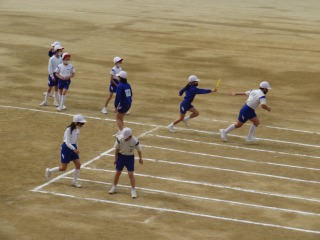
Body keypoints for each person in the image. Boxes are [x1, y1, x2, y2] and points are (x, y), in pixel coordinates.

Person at [45, 114, 87, 188]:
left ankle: (74, 181)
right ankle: (49, 171)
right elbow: (67, 142)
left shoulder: (78, 130)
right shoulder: (68, 130)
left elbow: (76, 140)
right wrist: (74, 149)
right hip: (66, 148)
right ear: (76, 123)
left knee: (78, 165)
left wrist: (76, 148)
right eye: (81, 123)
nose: (82, 124)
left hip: (73, 148)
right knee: (63, 168)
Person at [108, 128, 143, 198]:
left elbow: (139, 150)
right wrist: (116, 159)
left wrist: (140, 158)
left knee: (130, 174)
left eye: (126, 138)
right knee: (118, 172)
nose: (124, 139)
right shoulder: (120, 139)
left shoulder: (134, 141)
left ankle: (133, 190)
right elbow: (117, 149)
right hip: (121, 157)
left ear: (130, 136)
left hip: (130, 158)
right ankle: (114, 187)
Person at [113, 71, 132, 137]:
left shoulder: (120, 86)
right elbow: (131, 94)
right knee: (121, 118)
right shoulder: (128, 84)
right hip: (129, 103)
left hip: (124, 103)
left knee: (117, 117)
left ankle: (122, 133)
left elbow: (118, 97)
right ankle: (121, 131)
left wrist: (115, 106)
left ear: (120, 78)